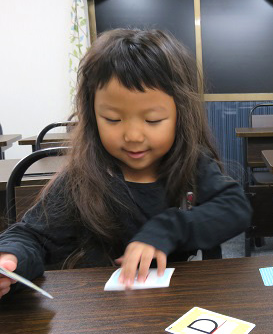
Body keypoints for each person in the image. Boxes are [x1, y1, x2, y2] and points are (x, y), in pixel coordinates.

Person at [0, 29, 251, 297]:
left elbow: (235, 209)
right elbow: (31, 236)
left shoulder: (192, 164)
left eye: (153, 120)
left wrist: (169, 227)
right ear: (92, 116)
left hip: (175, 304)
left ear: (181, 115)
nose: (132, 136)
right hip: (104, 315)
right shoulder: (82, 178)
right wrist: (10, 258)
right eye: (112, 119)